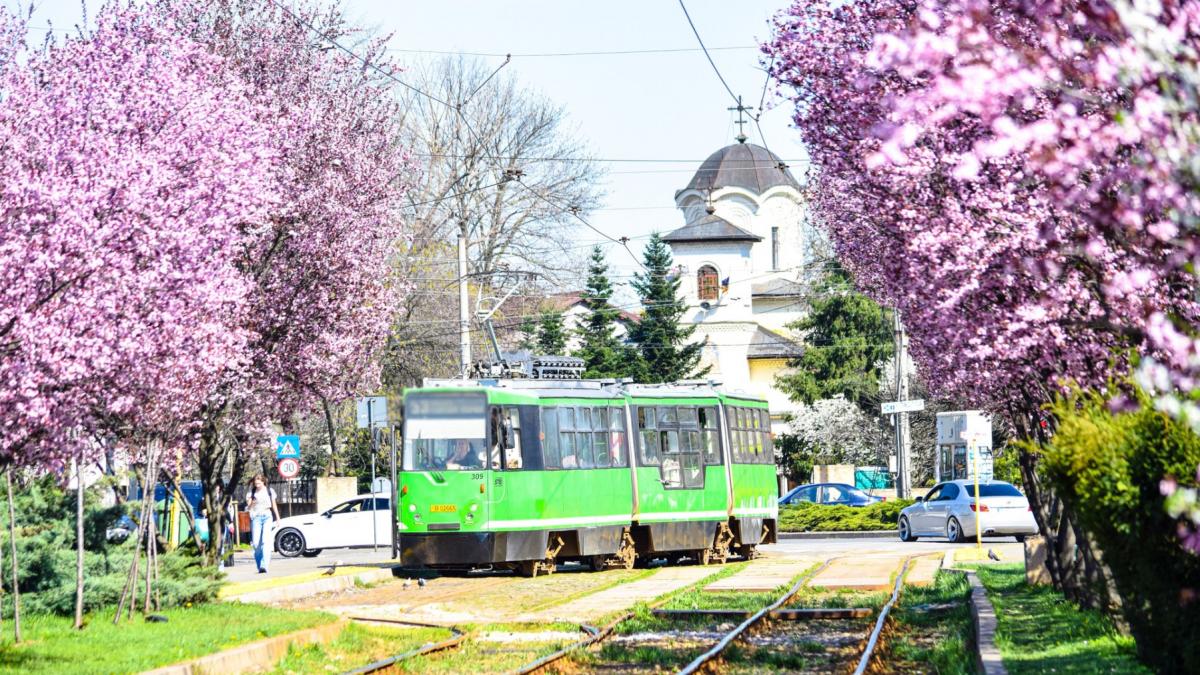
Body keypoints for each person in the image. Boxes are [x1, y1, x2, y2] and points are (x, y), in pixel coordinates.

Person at [246, 475, 279, 574]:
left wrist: (278, 518)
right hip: (256, 518)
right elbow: (248, 508)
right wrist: (252, 503)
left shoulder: (269, 491)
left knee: (265, 542)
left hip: (267, 516)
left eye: (259, 483)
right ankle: (259, 564)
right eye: (256, 484)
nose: (257, 485)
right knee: (256, 544)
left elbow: (274, 505)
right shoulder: (251, 493)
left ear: (263, 482)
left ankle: (264, 565)